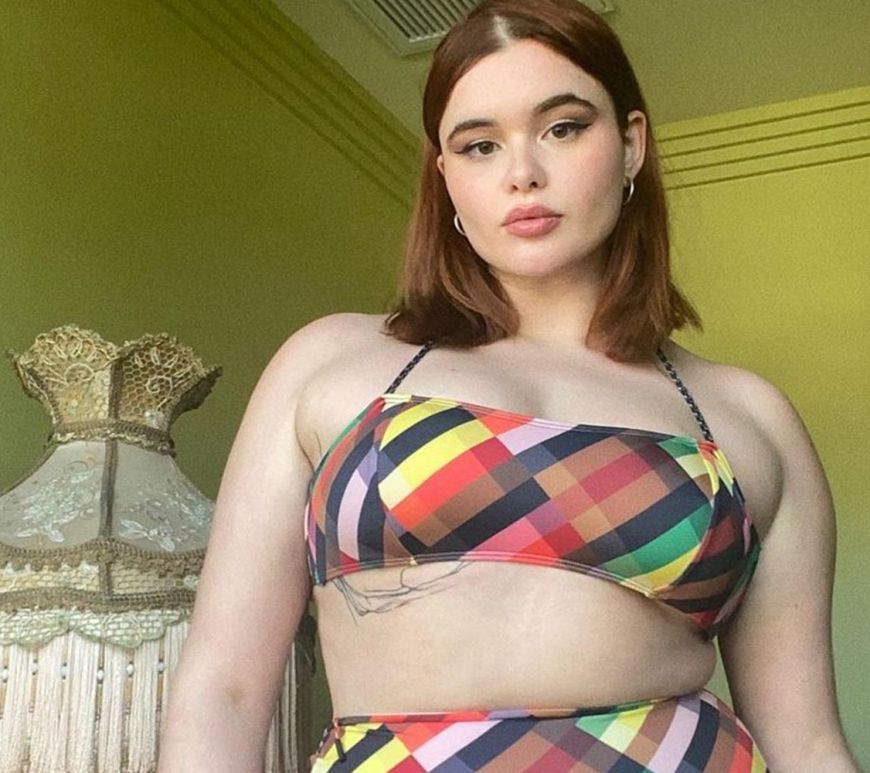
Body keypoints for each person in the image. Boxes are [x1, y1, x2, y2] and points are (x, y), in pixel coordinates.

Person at [158, 0, 859, 770]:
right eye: (480, 145)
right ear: (446, 177)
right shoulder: (331, 362)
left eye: (563, 127)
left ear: (631, 144)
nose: (522, 172)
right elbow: (223, 690)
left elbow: (806, 740)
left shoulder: (748, 414)